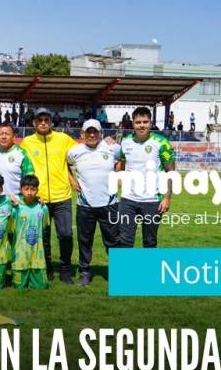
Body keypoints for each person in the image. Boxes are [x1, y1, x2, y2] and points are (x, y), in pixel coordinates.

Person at [20, 107, 75, 283]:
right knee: (43, 236)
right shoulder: (27, 142)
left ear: (51, 122)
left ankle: (65, 269)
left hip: (62, 196)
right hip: (39, 198)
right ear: (34, 123)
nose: (43, 123)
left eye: (46, 120)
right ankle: (48, 268)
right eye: (39, 120)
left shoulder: (64, 139)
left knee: (65, 234)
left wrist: (108, 143)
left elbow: (84, 152)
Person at [66, 119, 120, 286]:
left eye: (94, 132)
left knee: (113, 240)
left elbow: (121, 161)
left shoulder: (113, 148)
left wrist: (118, 176)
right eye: (88, 132)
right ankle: (84, 272)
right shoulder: (74, 152)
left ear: (100, 133)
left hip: (110, 204)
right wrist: (72, 181)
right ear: (82, 134)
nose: (91, 135)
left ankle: (118, 273)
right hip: (85, 205)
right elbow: (66, 165)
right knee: (85, 240)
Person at [116, 106, 176, 249]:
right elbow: (121, 167)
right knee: (124, 240)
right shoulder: (125, 142)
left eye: (145, 122)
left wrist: (167, 198)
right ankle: (125, 272)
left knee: (149, 242)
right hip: (128, 200)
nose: (141, 125)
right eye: (138, 122)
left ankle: (148, 272)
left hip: (152, 201)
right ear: (133, 123)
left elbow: (171, 172)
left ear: (150, 122)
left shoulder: (162, 143)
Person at [12, 175, 50, 290]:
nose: (29, 192)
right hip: (20, 252)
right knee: (19, 287)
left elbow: (44, 226)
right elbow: (11, 229)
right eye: (26, 189)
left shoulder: (42, 207)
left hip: (37, 253)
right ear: (21, 190)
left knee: (42, 287)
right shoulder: (15, 208)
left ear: (37, 191)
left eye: (33, 189)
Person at [0, 123, 34, 198]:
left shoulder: (21, 154)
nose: (4, 137)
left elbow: (30, 178)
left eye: (7, 134)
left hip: (15, 201)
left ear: (13, 137)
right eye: (1, 134)